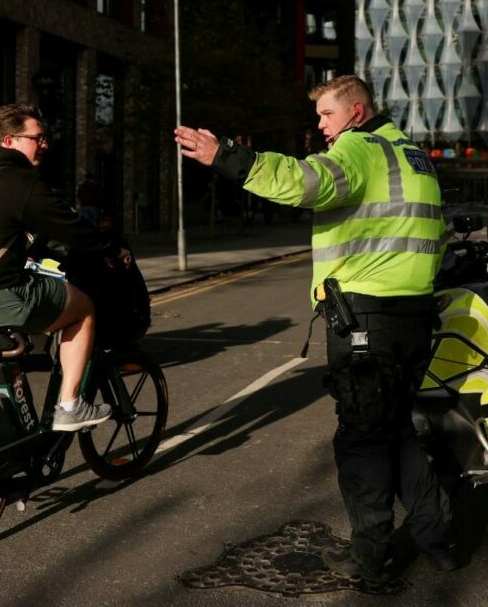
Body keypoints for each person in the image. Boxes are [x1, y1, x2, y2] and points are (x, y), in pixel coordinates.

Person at [174, 75, 457, 580]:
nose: (321, 127)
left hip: (367, 320)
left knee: (362, 441)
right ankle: (438, 539)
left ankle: (371, 560)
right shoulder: (412, 155)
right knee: (398, 432)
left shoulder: (361, 149)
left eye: (327, 115)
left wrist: (228, 157)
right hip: (413, 316)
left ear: (356, 111)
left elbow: (307, 182)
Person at [0, 103, 128, 432]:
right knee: (83, 309)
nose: (45, 144)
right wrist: (112, 248)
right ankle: (70, 406)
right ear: (9, 141)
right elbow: (71, 227)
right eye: (38, 137)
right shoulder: (18, 181)